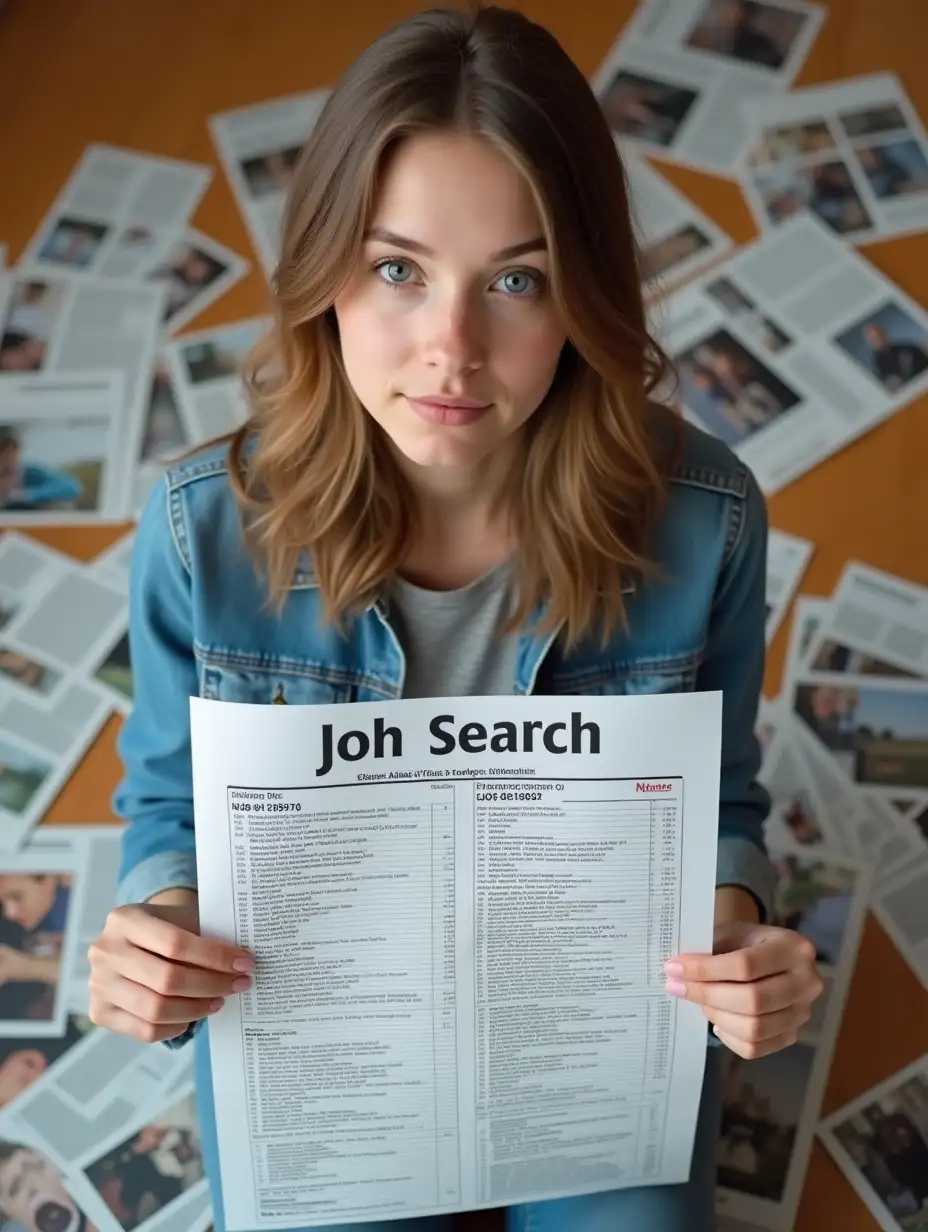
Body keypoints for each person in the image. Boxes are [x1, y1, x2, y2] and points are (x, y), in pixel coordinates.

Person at [86, 7, 824, 1231]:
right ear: (325, 267)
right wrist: (159, 929)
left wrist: (740, 935)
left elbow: (721, 806)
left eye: (518, 280)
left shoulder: (708, 521)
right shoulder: (194, 531)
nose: (451, 351)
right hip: (331, 1022)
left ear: (584, 287)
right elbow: (171, 807)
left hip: (582, 1021)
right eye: (396, 270)